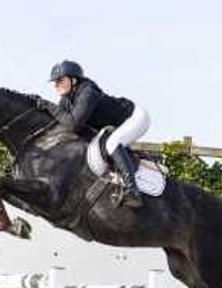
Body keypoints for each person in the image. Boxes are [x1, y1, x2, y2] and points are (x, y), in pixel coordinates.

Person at [39, 60, 150, 208]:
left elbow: (73, 124)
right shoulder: (67, 99)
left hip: (135, 118)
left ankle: (132, 191)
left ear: (73, 79)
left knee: (112, 143)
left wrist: (47, 105)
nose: (56, 85)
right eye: (55, 82)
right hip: (117, 126)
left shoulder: (88, 92)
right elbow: (62, 123)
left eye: (60, 80)